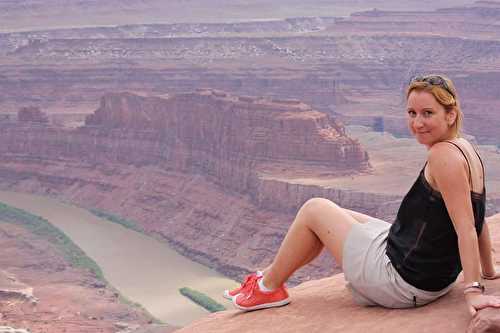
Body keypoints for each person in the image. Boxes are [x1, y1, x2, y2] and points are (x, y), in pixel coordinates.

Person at [224, 74, 500, 315]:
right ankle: (271, 277)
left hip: (403, 282)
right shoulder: (465, 148)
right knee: (338, 216)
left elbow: (466, 227)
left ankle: (267, 287)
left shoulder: (443, 156)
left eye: (428, 113)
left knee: (314, 208)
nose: (417, 123)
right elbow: (478, 219)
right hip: (428, 275)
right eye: (412, 113)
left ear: (450, 114)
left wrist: (473, 291)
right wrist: (488, 272)